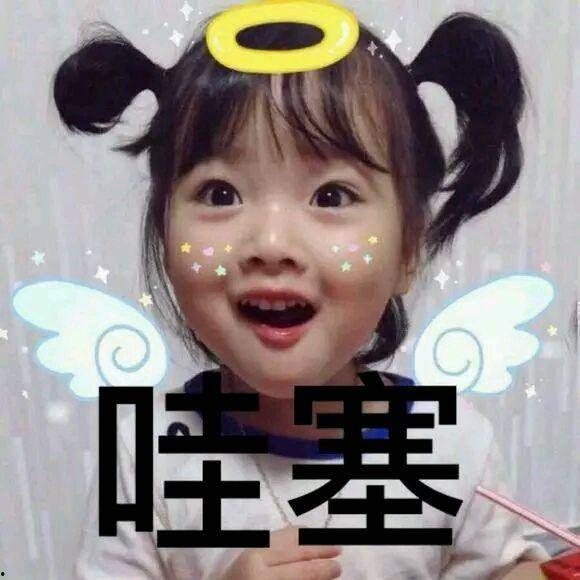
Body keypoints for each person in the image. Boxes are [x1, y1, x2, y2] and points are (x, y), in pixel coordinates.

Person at [52, 4, 551, 578]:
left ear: (409, 250)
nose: (271, 243)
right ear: (165, 238)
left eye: (331, 196)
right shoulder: (145, 452)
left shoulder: (451, 443)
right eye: (220, 194)